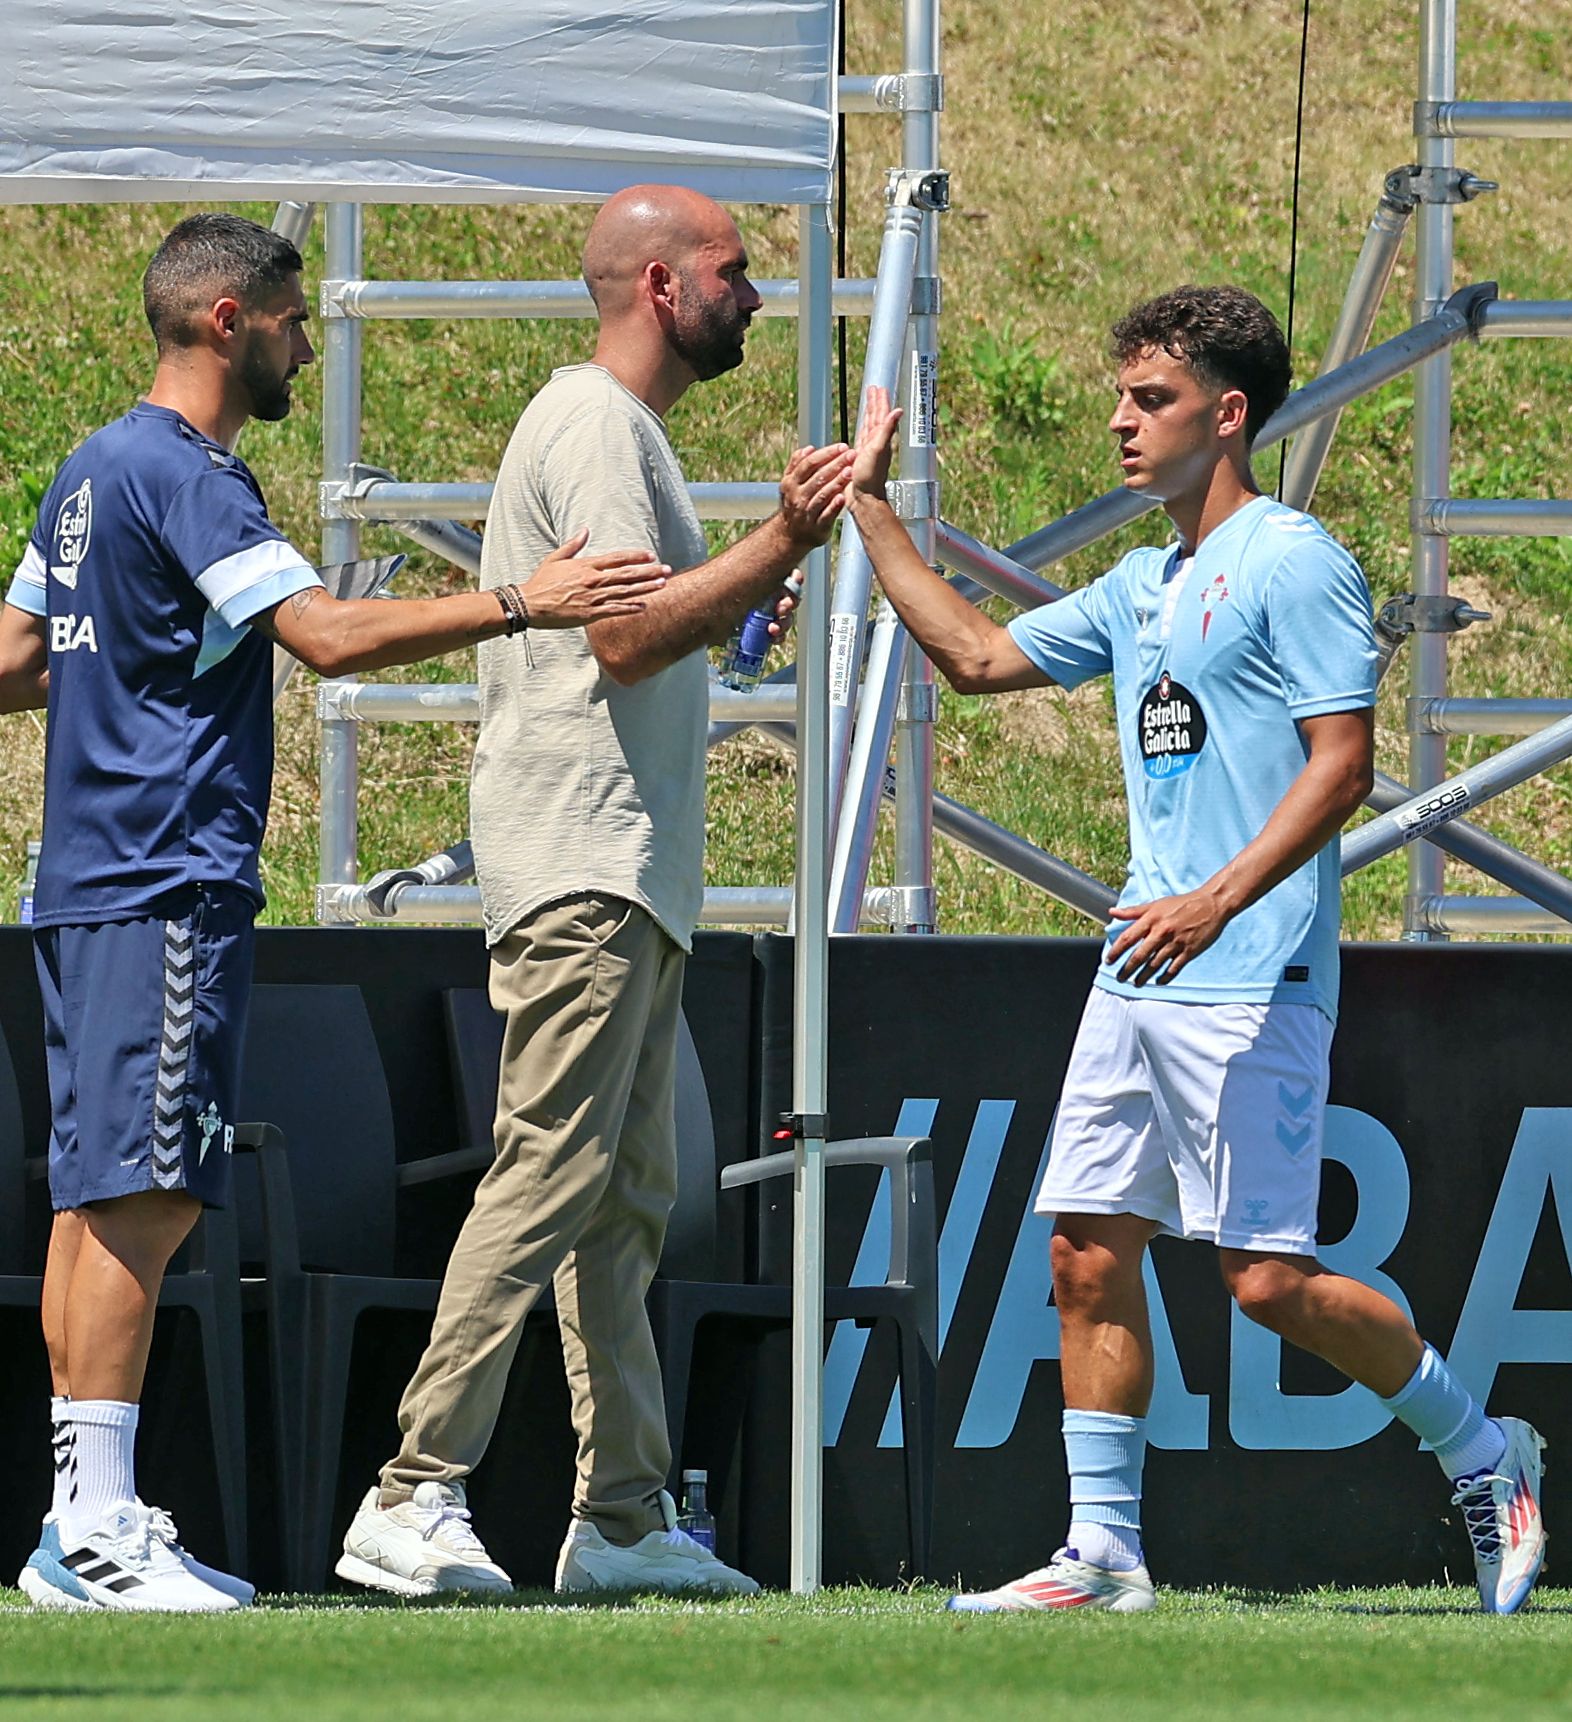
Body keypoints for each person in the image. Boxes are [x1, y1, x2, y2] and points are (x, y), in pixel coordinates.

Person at [843, 284, 1546, 1616]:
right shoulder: (1139, 581)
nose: (1119, 420)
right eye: (1118, 394)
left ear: (1227, 417)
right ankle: (1102, 1548)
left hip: (1249, 971)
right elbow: (981, 657)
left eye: (1148, 398)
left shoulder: (1296, 561)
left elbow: (1343, 771)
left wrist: (1217, 901)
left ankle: (1483, 1446)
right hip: (1139, 969)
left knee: (1266, 1278)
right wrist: (871, 512)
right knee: (1085, 1255)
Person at [0, 212, 667, 1613]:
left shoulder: (88, 471)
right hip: (163, 878)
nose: (310, 339)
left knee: (93, 1200)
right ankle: (96, 1526)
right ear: (230, 322)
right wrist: (521, 600)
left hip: (82, 885)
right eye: (297, 318)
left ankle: (80, 1511)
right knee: (139, 1197)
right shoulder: (189, 475)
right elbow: (326, 638)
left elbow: (13, 655)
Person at [338, 184, 851, 1600]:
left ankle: (620, 1512)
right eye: (735, 273)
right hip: (585, 860)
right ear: (659, 285)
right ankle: (412, 1488)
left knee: (628, 1199)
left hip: (620, 865)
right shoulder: (597, 423)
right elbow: (623, 641)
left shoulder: (620, 438)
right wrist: (777, 545)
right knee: (558, 1170)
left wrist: (736, 605)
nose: (755, 295)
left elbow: (642, 631)